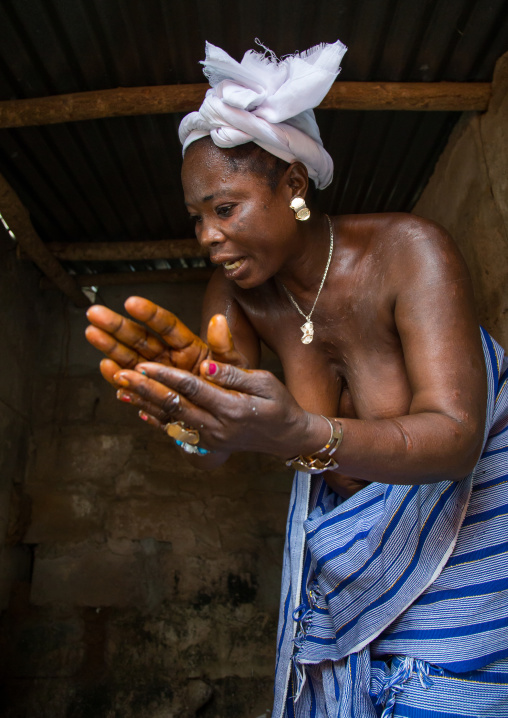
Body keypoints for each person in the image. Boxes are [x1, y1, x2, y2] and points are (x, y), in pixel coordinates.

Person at [85, 40, 508, 717]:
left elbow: (458, 440)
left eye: (224, 209)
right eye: (196, 218)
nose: (206, 236)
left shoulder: (407, 253)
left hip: (462, 561)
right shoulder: (236, 300)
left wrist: (302, 433)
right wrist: (195, 421)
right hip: (355, 585)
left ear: (293, 187)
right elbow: (230, 437)